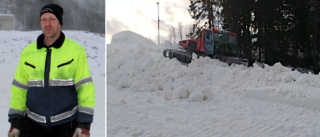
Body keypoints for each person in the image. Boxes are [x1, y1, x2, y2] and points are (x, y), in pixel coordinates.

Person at [8, 4, 95, 137]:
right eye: (44, 19)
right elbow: (19, 89)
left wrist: (84, 124)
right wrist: (15, 122)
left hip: (65, 126)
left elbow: (85, 88)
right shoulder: (28, 52)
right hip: (32, 125)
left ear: (60, 23)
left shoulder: (76, 51)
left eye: (52, 19)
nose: (47, 23)